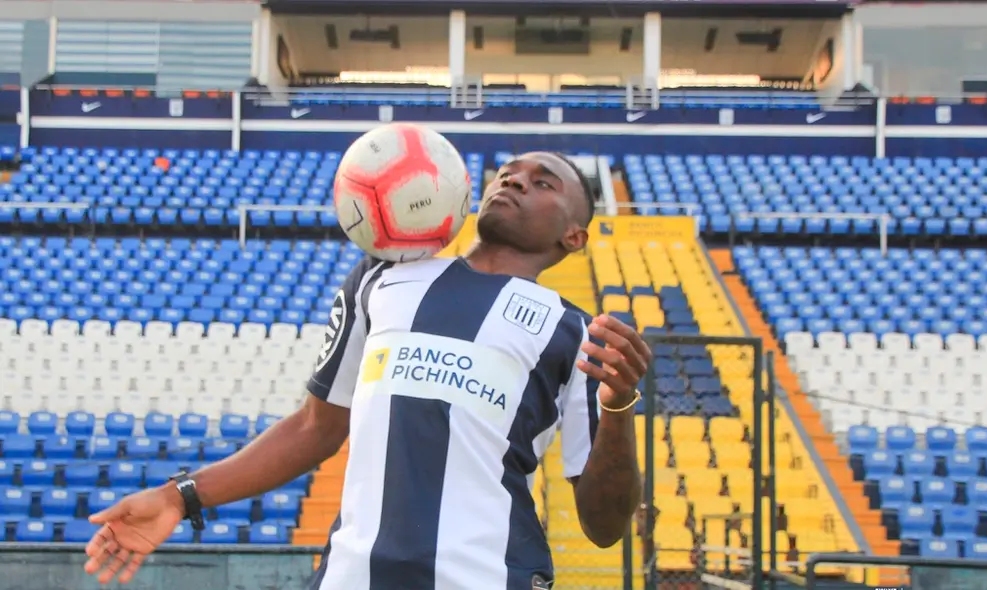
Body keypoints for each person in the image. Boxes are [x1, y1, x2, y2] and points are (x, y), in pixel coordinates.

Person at [82, 151, 651, 590]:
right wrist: (181, 496)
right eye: (507, 172)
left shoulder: (580, 333)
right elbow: (315, 428)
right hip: (353, 575)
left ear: (573, 237)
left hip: (489, 574)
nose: (515, 180)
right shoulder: (381, 279)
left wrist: (619, 407)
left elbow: (603, 527)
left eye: (543, 181)